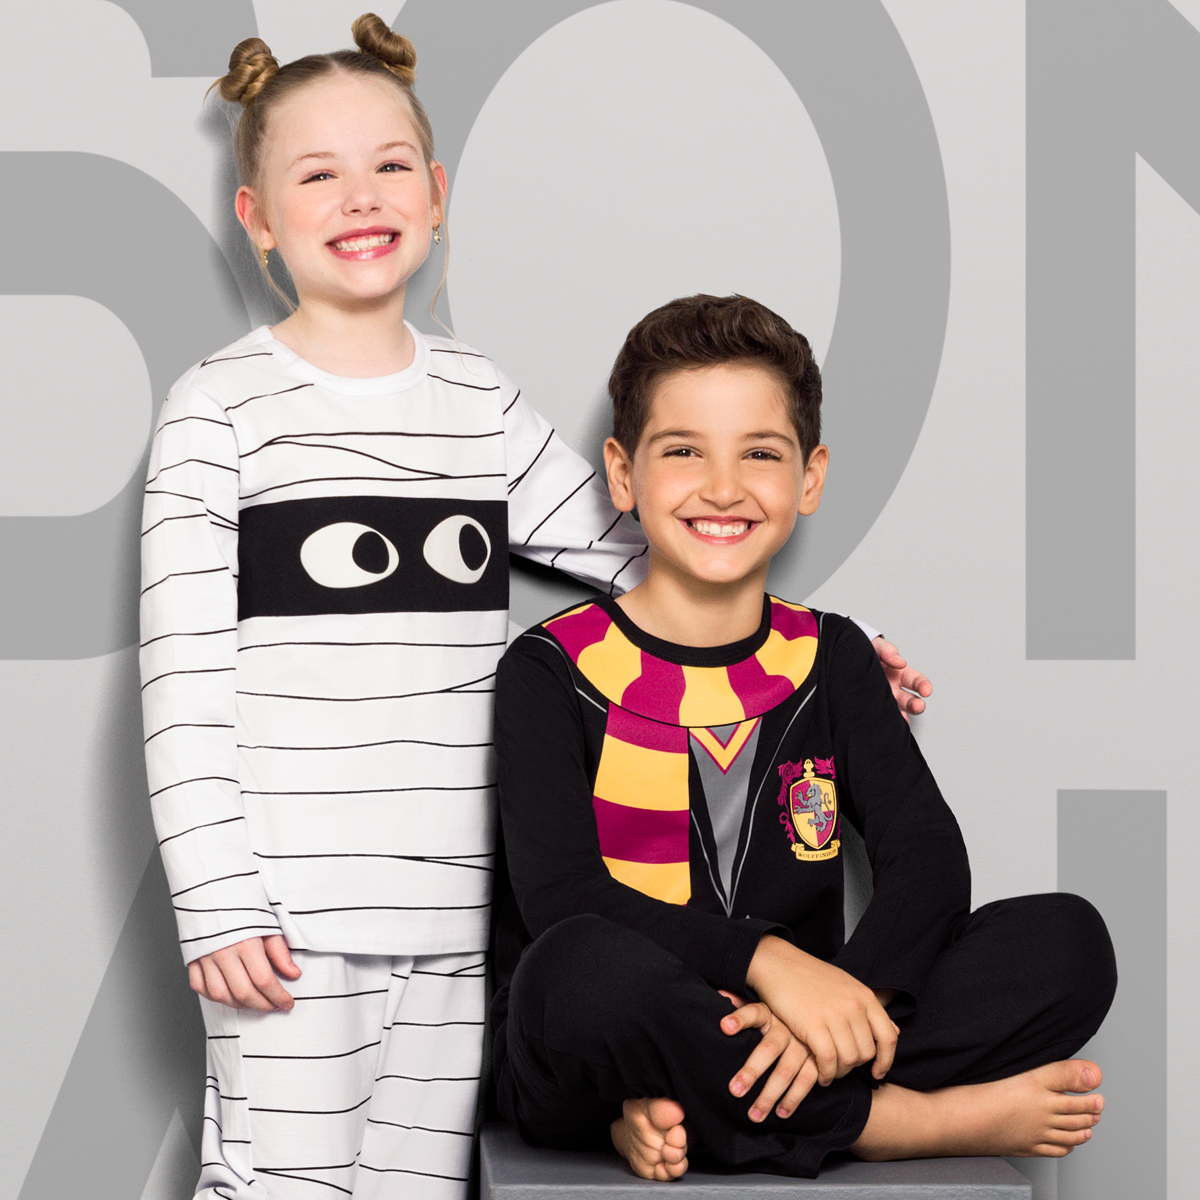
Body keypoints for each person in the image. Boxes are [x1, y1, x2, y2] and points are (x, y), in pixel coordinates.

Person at [139, 17, 928, 1199]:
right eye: (318, 176)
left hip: (458, 913)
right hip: (293, 911)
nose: (361, 198)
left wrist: (812, 646)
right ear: (257, 219)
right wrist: (215, 896)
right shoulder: (222, 410)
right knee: (281, 1182)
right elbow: (182, 672)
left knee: (419, 1186)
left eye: (390, 165)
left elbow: (650, 544)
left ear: (437, 192)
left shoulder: (473, 397)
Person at [490, 294, 1118, 1181]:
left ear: (810, 477)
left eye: (760, 453)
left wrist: (846, 994)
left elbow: (926, 856)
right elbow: (562, 896)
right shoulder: (548, 668)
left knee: (1069, 940)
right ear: (623, 476)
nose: (722, 487)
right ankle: (895, 1123)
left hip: (800, 1026)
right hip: (616, 1023)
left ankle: (699, 1109)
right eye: (683, 451)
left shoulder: (833, 656)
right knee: (574, 972)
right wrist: (768, 960)